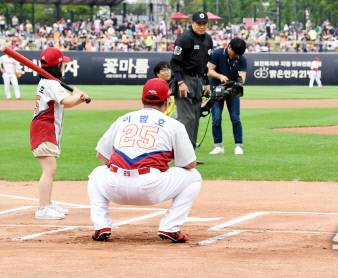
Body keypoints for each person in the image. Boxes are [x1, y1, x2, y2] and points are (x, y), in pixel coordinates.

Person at [87, 78, 201, 242]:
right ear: (167, 101)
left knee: (96, 174)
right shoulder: (174, 124)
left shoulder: (124, 119)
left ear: (142, 100)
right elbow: (189, 164)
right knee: (194, 176)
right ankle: (170, 227)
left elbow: (101, 156)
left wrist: (123, 171)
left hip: (114, 187)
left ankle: (101, 226)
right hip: (150, 189)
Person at [31, 47, 90, 219]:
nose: (64, 66)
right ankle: (42, 208)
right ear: (57, 67)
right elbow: (66, 100)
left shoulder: (46, 82)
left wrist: (79, 99)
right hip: (44, 130)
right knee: (49, 170)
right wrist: (77, 94)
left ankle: (47, 204)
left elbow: (64, 104)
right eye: (62, 63)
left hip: (44, 129)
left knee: (50, 169)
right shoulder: (51, 83)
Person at [170, 11, 213, 165]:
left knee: (195, 118)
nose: (201, 26)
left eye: (204, 24)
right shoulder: (184, 38)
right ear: (192, 23)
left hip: (198, 79)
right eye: (198, 23)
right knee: (187, 119)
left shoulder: (208, 39)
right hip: (184, 78)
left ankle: (190, 157)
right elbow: (174, 62)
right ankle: (182, 158)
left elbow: (205, 63)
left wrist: (206, 82)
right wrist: (180, 83)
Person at [207, 37, 247, 155]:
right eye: (234, 54)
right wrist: (220, 77)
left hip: (233, 92)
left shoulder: (242, 59)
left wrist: (237, 83)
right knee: (216, 119)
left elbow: (242, 77)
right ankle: (218, 146)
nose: (236, 56)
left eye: (238, 55)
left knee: (235, 118)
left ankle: (238, 146)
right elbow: (209, 70)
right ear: (229, 47)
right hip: (217, 90)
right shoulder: (218, 53)